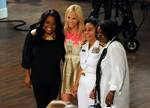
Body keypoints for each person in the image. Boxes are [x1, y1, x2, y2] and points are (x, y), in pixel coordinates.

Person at [21, 9, 65, 108]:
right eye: (47, 22)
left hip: (54, 78)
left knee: (52, 105)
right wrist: (27, 75)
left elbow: (65, 58)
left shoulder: (60, 38)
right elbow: (26, 56)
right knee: (41, 105)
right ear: (43, 22)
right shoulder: (33, 35)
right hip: (38, 78)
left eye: (54, 24)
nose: (50, 26)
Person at [90, 20, 130, 108]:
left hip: (114, 95)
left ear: (109, 32)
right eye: (97, 33)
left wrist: (112, 92)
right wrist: (95, 87)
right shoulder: (108, 46)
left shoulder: (115, 47)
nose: (99, 35)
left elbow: (119, 71)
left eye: (102, 33)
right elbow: (102, 72)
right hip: (106, 90)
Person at [72, 17, 101, 108]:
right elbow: (81, 67)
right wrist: (76, 84)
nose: (87, 33)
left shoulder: (101, 47)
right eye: (85, 30)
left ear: (96, 30)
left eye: (90, 30)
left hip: (93, 84)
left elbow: (103, 70)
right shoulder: (84, 46)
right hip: (82, 84)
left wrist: (96, 88)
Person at [61, 4, 84, 102]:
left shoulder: (84, 33)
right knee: (65, 102)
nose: (70, 20)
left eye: (74, 18)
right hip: (68, 69)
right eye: (68, 17)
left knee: (83, 102)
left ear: (79, 19)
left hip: (81, 69)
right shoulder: (64, 31)